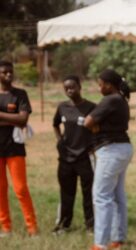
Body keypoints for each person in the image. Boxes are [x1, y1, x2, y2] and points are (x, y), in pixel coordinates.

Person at [84, 69, 133, 250]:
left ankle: (100, 244)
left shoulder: (110, 99)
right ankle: (117, 239)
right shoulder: (121, 100)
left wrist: (96, 126)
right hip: (123, 148)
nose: (99, 88)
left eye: (100, 84)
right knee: (117, 195)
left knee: (101, 196)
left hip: (111, 150)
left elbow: (88, 122)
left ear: (109, 85)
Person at [52, 75, 96, 235]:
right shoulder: (62, 107)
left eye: (73, 87)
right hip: (65, 158)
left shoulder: (91, 107)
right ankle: (64, 225)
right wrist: (59, 141)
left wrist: (93, 146)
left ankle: (90, 226)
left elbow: (98, 128)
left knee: (89, 194)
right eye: (66, 88)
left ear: (80, 86)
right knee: (66, 193)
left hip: (85, 157)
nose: (70, 90)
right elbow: (55, 124)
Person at [0, 60, 38, 237]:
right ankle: (6, 228)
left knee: (21, 189)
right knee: (0, 190)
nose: (8, 75)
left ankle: (32, 228)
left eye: (10, 72)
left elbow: (23, 120)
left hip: (15, 148)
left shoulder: (20, 94)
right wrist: (12, 118)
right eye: (4, 72)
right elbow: (17, 119)